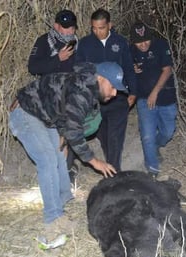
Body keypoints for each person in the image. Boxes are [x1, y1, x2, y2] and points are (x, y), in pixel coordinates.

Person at [9, 62, 121, 243]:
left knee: (60, 157)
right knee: (47, 160)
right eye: (113, 87)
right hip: (26, 112)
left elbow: (61, 105)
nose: (115, 93)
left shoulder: (88, 88)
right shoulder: (83, 90)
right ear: (101, 78)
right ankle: (53, 218)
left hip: (45, 116)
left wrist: (64, 134)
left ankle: (62, 201)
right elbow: (75, 128)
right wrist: (94, 161)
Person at [76, 8, 137, 171]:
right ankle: (110, 165)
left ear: (110, 25)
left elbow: (129, 68)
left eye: (101, 28)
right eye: (94, 28)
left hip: (118, 96)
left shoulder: (121, 42)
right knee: (102, 135)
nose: (97, 32)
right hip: (95, 99)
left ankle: (114, 171)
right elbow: (78, 69)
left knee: (115, 136)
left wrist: (133, 92)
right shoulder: (84, 44)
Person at [27, 9, 80, 184]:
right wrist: (58, 58)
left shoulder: (77, 43)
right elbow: (33, 67)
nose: (68, 31)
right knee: (54, 135)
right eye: (64, 27)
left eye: (71, 27)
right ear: (56, 26)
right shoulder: (44, 42)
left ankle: (68, 170)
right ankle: (57, 170)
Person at [129, 22, 177, 178]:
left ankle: (156, 145)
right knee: (147, 135)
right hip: (144, 98)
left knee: (168, 132)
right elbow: (123, 68)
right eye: (138, 42)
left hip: (165, 97)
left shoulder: (161, 46)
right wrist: (131, 68)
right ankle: (152, 171)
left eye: (146, 40)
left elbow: (167, 70)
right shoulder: (130, 51)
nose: (143, 45)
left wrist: (155, 92)